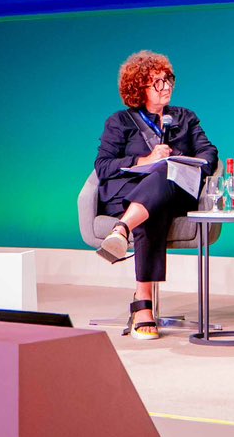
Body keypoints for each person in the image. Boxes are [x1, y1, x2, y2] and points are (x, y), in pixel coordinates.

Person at [92, 51, 219, 339]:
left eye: (168, 80)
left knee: (165, 174)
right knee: (154, 201)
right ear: (139, 89)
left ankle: (122, 231)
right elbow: (103, 165)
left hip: (176, 192)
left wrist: (180, 160)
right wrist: (144, 161)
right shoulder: (120, 122)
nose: (166, 87)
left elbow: (210, 153)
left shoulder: (186, 117)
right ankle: (143, 306)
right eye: (157, 83)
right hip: (129, 193)